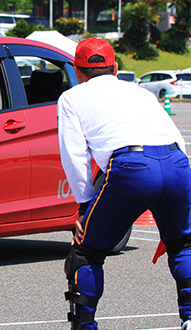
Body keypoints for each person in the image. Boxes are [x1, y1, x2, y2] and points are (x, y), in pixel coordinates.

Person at [58, 37, 191, 330]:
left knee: (85, 252)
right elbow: (179, 143)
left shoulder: (72, 97)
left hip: (132, 167)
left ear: (76, 70)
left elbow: (74, 154)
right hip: (176, 163)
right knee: (183, 244)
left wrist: (84, 205)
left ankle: (85, 327)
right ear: (115, 68)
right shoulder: (141, 92)